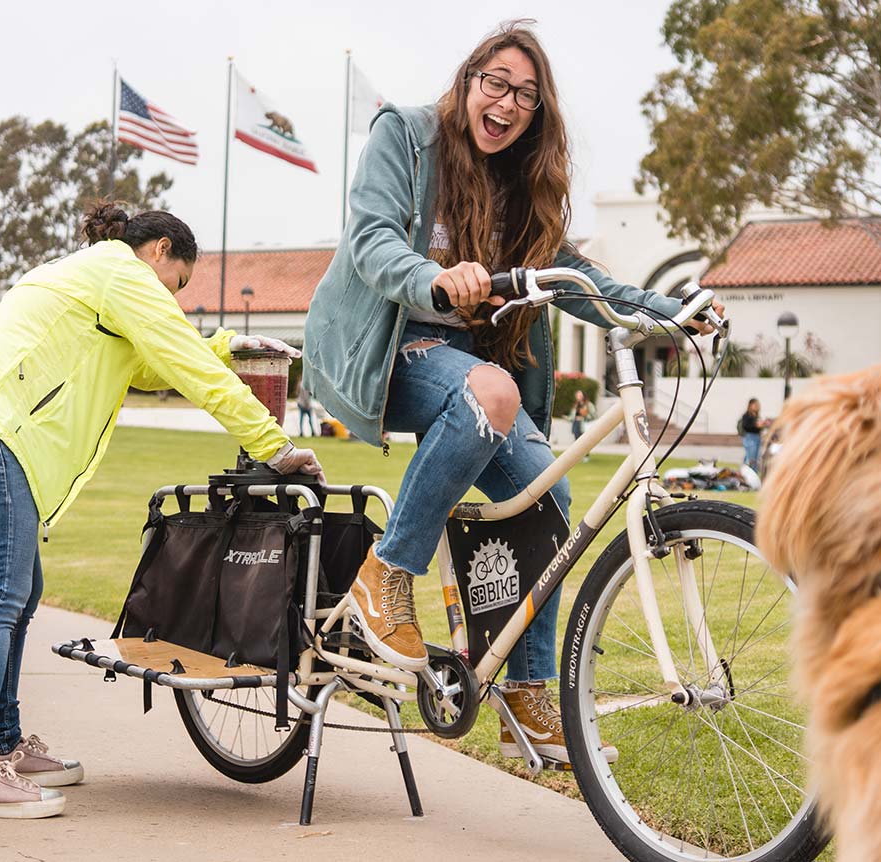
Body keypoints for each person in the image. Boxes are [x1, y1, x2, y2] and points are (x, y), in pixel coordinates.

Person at [303, 21, 718, 766]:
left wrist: (668, 310)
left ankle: (524, 696)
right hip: (380, 345)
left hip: (462, 362)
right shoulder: (407, 135)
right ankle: (386, 574)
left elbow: (578, 278)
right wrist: (433, 278)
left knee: (548, 499)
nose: (508, 102)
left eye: (526, 94)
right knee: (492, 395)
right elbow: (370, 240)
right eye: (495, 82)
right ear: (467, 83)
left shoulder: (521, 187)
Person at [0, 200, 323, 819]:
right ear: (159, 252)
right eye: (178, 284)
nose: (175, 299)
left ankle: (2, 746)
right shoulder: (119, 273)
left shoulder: (94, 280)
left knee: (15, 596)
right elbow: (180, 362)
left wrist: (226, 343)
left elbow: (154, 366)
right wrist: (274, 445)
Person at [738, 398, 770, 472]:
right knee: (751, 458)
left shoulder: (756, 416)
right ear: (750, 405)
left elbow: (759, 428)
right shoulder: (747, 415)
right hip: (750, 437)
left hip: (757, 437)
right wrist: (756, 425)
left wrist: (763, 424)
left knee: (755, 457)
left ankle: (750, 472)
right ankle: (748, 472)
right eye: (755, 405)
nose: (757, 406)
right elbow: (746, 426)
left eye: (758, 405)